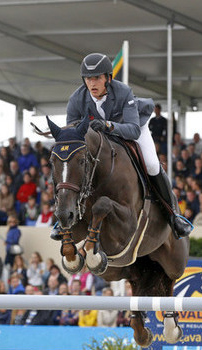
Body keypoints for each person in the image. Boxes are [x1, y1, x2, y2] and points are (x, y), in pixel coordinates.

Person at [64, 53, 192, 238]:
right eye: (88, 79)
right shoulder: (76, 99)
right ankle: (64, 219)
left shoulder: (123, 92)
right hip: (101, 139)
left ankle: (173, 215)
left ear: (108, 78)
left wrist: (108, 125)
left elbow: (133, 130)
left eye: (97, 78)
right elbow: (74, 135)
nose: (92, 84)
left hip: (132, 127)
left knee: (152, 164)